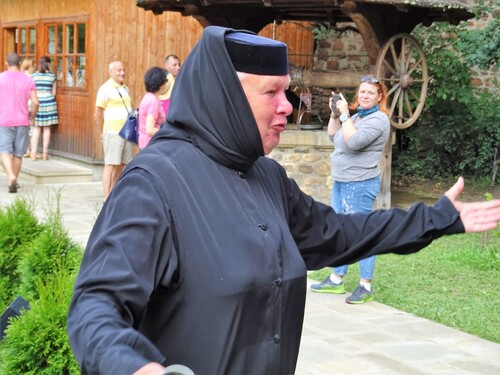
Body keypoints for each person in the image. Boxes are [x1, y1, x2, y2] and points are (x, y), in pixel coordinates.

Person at [67, 27, 500, 375]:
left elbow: (340, 234)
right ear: (226, 99)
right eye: (271, 93)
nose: (287, 108)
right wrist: (136, 367)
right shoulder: (154, 183)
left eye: (287, 92)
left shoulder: (267, 176)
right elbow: (95, 308)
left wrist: (437, 218)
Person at [310, 76, 390, 304]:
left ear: (379, 97)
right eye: (362, 92)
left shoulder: (378, 120)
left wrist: (345, 115)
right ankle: (336, 279)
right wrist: (336, 114)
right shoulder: (357, 117)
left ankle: (366, 285)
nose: (364, 96)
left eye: (370, 93)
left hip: (360, 184)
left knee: (362, 233)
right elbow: (334, 136)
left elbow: (354, 142)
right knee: (341, 230)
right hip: (342, 181)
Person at [94, 61, 135, 202]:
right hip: (113, 132)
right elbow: (98, 113)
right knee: (110, 164)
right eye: (119, 71)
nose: (122, 73)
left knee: (122, 163)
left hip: (126, 132)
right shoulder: (105, 88)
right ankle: (106, 196)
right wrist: (103, 130)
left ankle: (114, 191)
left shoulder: (125, 88)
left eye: (123, 70)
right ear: (111, 72)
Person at [0, 53, 39, 193]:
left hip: (4, 120)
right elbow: (35, 102)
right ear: (20, 62)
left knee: (3, 150)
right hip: (22, 120)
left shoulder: (1, 78)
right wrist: (32, 116)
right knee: (18, 153)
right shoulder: (28, 80)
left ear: (6, 63)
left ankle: (10, 176)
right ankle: (14, 180)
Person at [30, 56, 59, 160]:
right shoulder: (52, 76)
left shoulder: (33, 76)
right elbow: (54, 93)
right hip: (49, 103)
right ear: (48, 64)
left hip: (37, 101)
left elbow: (30, 91)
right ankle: (45, 153)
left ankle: (33, 153)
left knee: (36, 128)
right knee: (47, 128)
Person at [138, 67, 169, 150]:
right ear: (160, 84)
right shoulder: (153, 102)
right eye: (165, 81)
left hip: (145, 143)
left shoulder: (147, 97)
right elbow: (150, 129)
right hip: (152, 145)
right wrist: (169, 133)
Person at [20, 57, 36, 157]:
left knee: (22, 128)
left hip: (20, 104)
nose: (35, 67)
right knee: (31, 128)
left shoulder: (20, 76)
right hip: (29, 104)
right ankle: (31, 150)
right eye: (34, 65)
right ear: (30, 66)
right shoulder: (31, 78)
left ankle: (25, 149)